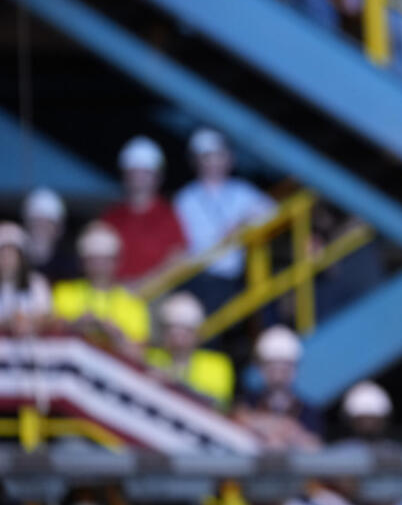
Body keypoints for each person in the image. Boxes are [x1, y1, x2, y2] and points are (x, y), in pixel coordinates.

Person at [174, 128, 275, 311]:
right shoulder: (185, 198)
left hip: (239, 278)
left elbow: (272, 212)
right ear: (196, 161)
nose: (213, 163)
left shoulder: (241, 190)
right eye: (207, 157)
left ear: (228, 158)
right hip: (201, 278)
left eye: (218, 156)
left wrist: (244, 224)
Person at [100, 136, 187, 286]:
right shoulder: (111, 217)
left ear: (158, 177)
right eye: (134, 172)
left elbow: (178, 259)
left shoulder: (169, 215)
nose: (139, 178)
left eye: (145, 172)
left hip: (156, 295)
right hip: (114, 296)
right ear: (125, 175)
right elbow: (97, 258)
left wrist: (144, 285)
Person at [52, 222, 150, 355]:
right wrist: (75, 325)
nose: (99, 266)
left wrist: (116, 335)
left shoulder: (132, 302)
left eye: (105, 260)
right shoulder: (64, 292)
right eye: (93, 260)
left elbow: (139, 354)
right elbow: (50, 336)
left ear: (116, 262)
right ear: (83, 261)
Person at [235, 325, 322, 448]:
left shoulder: (308, 412)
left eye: (284, 369)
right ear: (261, 369)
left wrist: (292, 434)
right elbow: (236, 420)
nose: (278, 377)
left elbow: (314, 447)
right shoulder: (249, 403)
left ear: (294, 369)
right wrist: (275, 425)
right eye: (272, 368)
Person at [146, 292, 235, 409]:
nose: (177, 338)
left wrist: (174, 384)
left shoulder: (217, 365)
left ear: (196, 334)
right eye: (171, 330)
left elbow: (219, 405)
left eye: (184, 331)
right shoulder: (153, 356)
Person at [0, 221, 51, 334]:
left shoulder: (37, 283)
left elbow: (45, 315)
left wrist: (28, 321)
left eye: (11, 253)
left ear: (21, 257)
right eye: (2, 254)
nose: (6, 259)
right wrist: (8, 323)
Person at [21, 187, 79, 282]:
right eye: (36, 222)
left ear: (59, 228)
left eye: (48, 223)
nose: (41, 228)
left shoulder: (70, 266)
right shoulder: (16, 260)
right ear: (26, 224)